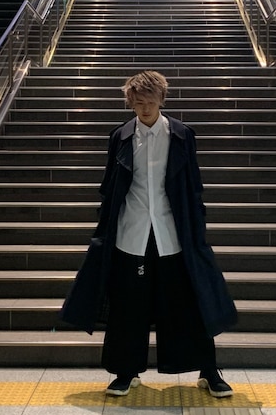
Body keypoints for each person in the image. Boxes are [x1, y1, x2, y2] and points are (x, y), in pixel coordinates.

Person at [60, 70, 237, 397]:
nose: (144, 108)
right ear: (130, 102)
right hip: (132, 232)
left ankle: (208, 370)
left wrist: (197, 229)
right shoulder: (121, 137)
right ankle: (125, 372)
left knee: (189, 301)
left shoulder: (181, 135)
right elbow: (110, 186)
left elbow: (193, 186)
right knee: (128, 305)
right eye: (138, 102)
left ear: (161, 100)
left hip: (174, 233)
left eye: (150, 102)